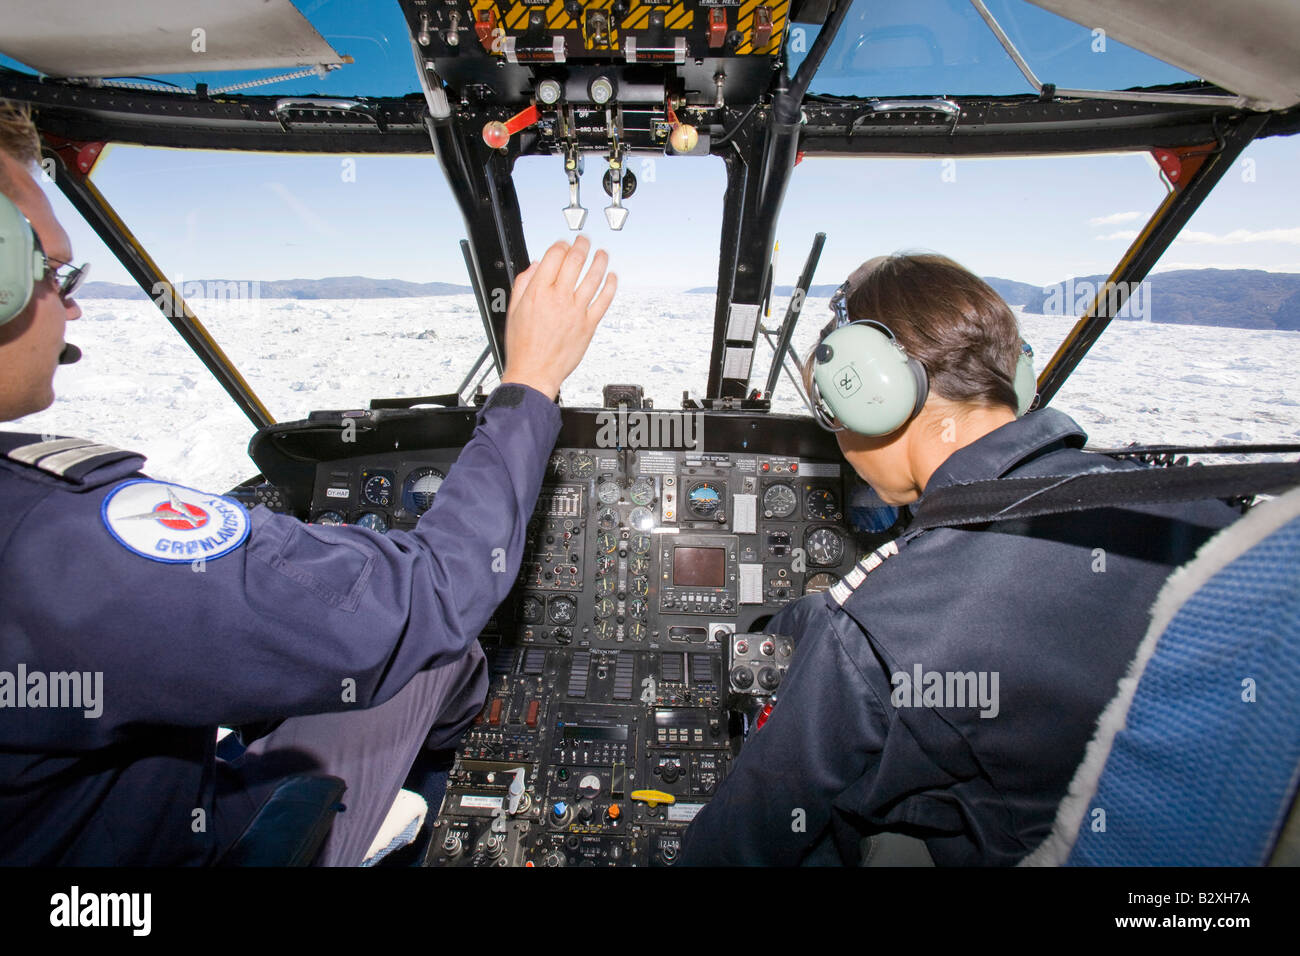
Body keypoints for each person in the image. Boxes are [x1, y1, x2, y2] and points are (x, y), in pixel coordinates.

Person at [0, 101, 618, 865]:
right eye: (53, 271)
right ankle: (430, 780)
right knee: (440, 652)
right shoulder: (58, 544)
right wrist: (531, 380)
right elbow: (429, 597)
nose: (72, 303)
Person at [678, 252, 1239, 866]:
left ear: (872, 396)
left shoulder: (881, 629)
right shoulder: (1201, 514)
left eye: (832, 412)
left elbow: (743, 842)